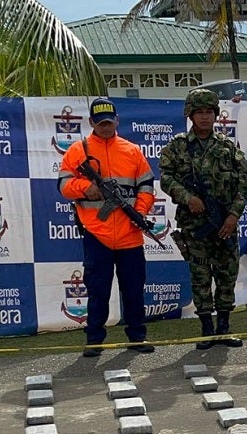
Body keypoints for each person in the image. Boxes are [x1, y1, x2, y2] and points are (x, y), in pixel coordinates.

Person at [57, 97, 157, 357]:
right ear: (91, 122)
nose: (106, 126)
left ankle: (137, 337)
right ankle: (94, 340)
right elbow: (63, 185)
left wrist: (140, 212)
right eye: (100, 123)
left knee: (133, 290)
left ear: (117, 121)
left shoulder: (132, 151)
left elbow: (146, 186)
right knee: (98, 291)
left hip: (130, 234)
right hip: (96, 234)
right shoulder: (78, 151)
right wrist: (85, 187)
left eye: (109, 122)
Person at [160, 89, 247, 348]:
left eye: (209, 112)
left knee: (226, 276)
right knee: (200, 277)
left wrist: (233, 215)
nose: (204, 117)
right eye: (199, 112)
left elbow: (243, 184)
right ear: (190, 115)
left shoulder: (226, 146)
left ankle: (223, 328)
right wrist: (188, 197)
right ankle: (207, 330)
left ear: (216, 114)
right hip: (194, 226)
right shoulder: (178, 146)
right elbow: (166, 177)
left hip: (224, 225)